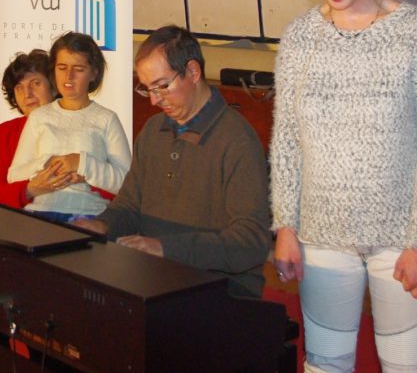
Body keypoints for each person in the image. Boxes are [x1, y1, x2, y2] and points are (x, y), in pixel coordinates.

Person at [270, 0, 417, 373]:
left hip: (401, 241)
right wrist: (286, 227)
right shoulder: (299, 38)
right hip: (321, 240)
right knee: (324, 366)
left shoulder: (414, 32)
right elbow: (287, 142)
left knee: (405, 367)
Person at [74, 25, 271, 298]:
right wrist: (101, 226)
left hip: (218, 288)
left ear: (193, 72)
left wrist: (164, 248)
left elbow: (250, 242)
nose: (154, 100)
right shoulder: (153, 130)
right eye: (147, 89)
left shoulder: (237, 140)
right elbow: (129, 207)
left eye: (162, 86)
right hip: (156, 277)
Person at [6, 32, 131, 222]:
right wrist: (48, 163)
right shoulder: (39, 117)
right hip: (40, 213)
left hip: (90, 215)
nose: (68, 76)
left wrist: (82, 164)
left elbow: (126, 182)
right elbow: (14, 175)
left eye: (78, 69)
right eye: (62, 67)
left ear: (94, 73)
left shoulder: (107, 119)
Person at [0, 49, 78, 208]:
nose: (27, 94)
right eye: (19, 88)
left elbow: (106, 191)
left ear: (54, 88)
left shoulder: (81, 126)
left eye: (35, 84)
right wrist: (29, 190)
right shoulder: (5, 133)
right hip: (18, 218)